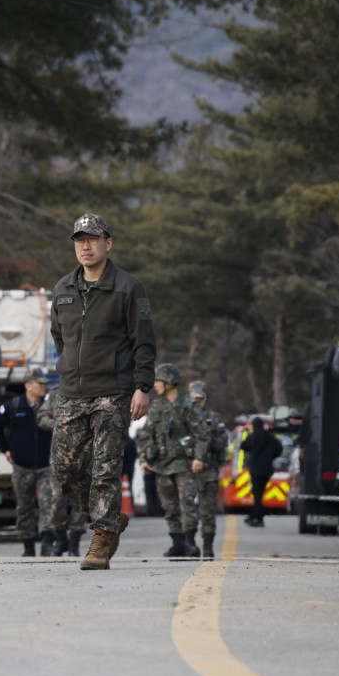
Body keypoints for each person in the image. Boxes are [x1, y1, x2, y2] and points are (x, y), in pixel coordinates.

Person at [49, 213, 157, 570]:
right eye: (79, 239)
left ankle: (101, 538)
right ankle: (109, 519)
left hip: (113, 392)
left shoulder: (129, 288)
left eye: (92, 239)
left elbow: (144, 342)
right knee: (64, 469)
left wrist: (142, 386)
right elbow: (59, 338)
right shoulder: (63, 288)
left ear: (107, 243)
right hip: (70, 392)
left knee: (105, 469)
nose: (85, 245)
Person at [137, 363, 208, 558]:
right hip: (162, 465)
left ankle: (190, 542)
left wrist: (198, 458)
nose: (155, 385)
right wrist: (144, 458)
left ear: (169, 382)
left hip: (185, 464)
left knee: (187, 503)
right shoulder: (157, 406)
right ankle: (177, 543)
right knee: (169, 507)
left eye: (158, 381)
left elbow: (201, 434)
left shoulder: (188, 405)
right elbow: (145, 434)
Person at [0, 368, 62, 556]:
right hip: (22, 467)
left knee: (49, 505)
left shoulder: (50, 408)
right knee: (24, 507)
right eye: (40, 384)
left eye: (45, 384)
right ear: (28, 385)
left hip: (46, 465)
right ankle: (28, 546)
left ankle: (47, 543)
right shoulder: (14, 406)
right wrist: (5, 448)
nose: (44, 387)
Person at [32, 382, 87, 556]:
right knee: (56, 501)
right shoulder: (56, 394)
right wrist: (59, 424)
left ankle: (74, 543)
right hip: (58, 457)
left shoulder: (89, 391)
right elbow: (41, 417)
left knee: (80, 501)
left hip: (83, 455)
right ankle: (61, 538)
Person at [188, 380, 231, 559]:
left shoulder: (213, 418)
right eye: (194, 399)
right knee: (186, 508)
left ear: (205, 399)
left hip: (208, 469)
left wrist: (207, 439)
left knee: (207, 510)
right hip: (187, 470)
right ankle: (188, 543)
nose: (197, 402)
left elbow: (222, 442)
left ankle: (207, 546)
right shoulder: (183, 417)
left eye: (200, 399)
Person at [240, 417, 283, 527]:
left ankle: (257, 518)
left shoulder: (252, 437)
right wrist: (271, 457)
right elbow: (279, 449)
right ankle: (255, 516)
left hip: (255, 469)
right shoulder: (270, 437)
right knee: (260, 493)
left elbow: (243, 446)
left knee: (257, 494)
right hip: (267, 469)